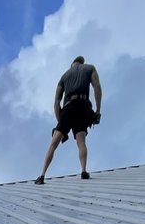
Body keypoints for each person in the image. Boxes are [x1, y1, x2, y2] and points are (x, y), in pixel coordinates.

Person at [35, 56, 102, 184]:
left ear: (72, 64)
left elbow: (56, 102)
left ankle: (42, 175)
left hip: (68, 108)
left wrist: (60, 121)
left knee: (54, 143)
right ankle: (83, 171)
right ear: (82, 63)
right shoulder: (90, 68)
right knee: (81, 141)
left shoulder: (64, 76)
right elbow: (97, 86)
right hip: (83, 106)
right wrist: (98, 111)